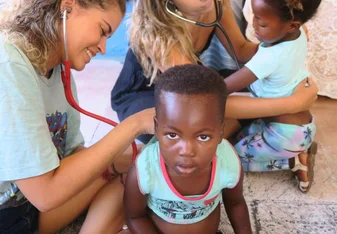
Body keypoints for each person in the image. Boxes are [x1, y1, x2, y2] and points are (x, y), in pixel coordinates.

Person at [0, 0, 154, 233]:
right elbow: (45, 194)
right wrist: (133, 126)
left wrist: (132, 157)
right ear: (68, 7)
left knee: (136, 169)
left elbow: (72, 156)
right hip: (10, 215)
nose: (103, 47)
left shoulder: (59, 70)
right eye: (103, 31)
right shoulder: (9, 66)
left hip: (29, 210)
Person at [110, 0, 318, 144]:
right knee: (184, 127)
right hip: (147, 92)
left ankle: (235, 126)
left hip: (195, 79)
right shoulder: (160, 34)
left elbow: (241, 49)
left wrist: (279, 47)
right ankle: (232, 131)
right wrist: (293, 104)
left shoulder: (215, 5)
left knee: (260, 83)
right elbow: (202, 99)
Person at [124, 64, 252, 234]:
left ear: (220, 132)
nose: (186, 151)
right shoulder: (145, 170)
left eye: (203, 137)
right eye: (172, 135)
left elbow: (235, 203)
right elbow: (135, 217)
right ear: (156, 127)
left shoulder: (228, 163)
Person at [221, 0, 321, 193]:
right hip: (297, 125)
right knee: (238, 137)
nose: (254, 25)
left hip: (285, 135)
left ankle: (292, 160)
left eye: (262, 23)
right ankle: (300, 150)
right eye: (253, 17)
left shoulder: (269, 57)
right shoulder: (299, 34)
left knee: (229, 159)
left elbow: (222, 88)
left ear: (292, 25)